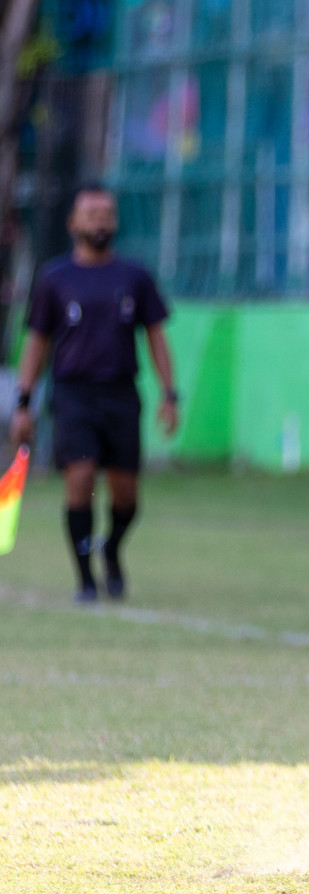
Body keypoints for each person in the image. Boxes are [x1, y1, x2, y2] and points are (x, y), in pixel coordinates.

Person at [8, 185, 178, 602]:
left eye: (106, 213)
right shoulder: (53, 278)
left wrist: (170, 394)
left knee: (126, 495)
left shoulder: (134, 276)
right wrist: (24, 402)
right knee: (80, 478)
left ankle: (112, 548)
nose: (99, 220)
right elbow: (37, 341)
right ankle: (85, 580)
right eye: (91, 213)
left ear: (115, 222)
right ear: (73, 223)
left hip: (121, 393)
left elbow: (156, 337)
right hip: (72, 394)